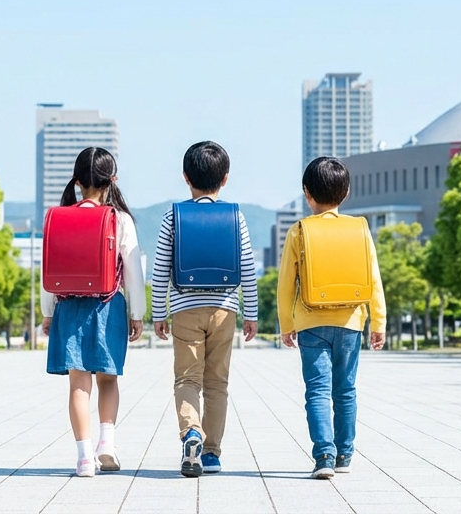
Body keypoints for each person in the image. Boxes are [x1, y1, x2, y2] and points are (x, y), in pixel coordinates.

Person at [152, 141, 259, 477]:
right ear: (224, 179)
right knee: (217, 383)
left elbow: (160, 269)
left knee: (187, 378)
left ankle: (191, 432)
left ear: (186, 177)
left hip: (185, 308)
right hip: (225, 309)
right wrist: (251, 313)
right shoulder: (235, 216)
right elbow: (247, 268)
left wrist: (158, 312)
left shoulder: (174, 215)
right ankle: (211, 454)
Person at [277, 156, 386, 479]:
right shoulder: (360, 230)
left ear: (307, 193)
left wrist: (287, 324)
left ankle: (324, 454)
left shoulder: (299, 231)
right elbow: (374, 280)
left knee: (317, 390)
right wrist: (378, 323)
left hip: (311, 322)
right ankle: (345, 454)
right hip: (351, 322)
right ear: (346, 192)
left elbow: (286, 282)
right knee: (346, 389)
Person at [41, 147, 146, 477]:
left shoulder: (59, 216)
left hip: (69, 307)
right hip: (107, 305)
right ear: (110, 182)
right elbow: (133, 272)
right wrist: (137, 314)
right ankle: (107, 444)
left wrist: (47, 313)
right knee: (108, 379)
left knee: (78, 385)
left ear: (77, 181)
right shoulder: (120, 219)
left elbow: (49, 271)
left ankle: (84, 457)